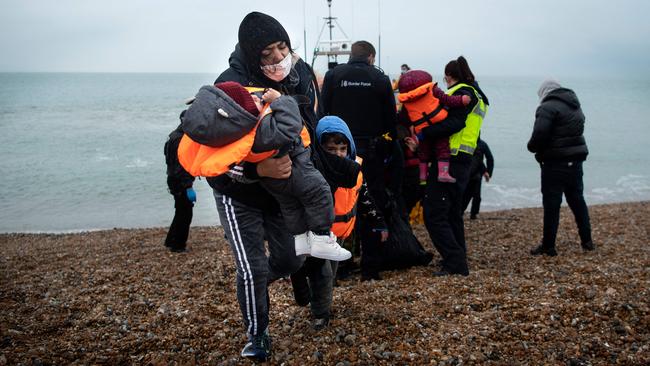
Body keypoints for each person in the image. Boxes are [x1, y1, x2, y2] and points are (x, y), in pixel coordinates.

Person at [180, 12, 347, 362]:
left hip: (281, 191)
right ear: (252, 54)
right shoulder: (230, 83)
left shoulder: (299, 75)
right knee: (253, 266)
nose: (277, 57)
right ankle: (257, 334)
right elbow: (209, 148)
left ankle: (252, 284)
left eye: (281, 46)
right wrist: (257, 168)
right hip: (236, 188)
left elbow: (308, 130)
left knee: (291, 258)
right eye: (267, 52)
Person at [180, 81, 351, 261]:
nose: (256, 97)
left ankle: (301, 240)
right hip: (297, 169)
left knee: (290, 205)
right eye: (251, 100)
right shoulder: (263, 130)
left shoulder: (234, 136)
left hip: (273, 182)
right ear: (241, 115)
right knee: (320, 193)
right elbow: (291, 125)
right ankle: (322, 237)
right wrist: (280, 100)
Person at [290, 115, 387, 329]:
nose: (338, 154)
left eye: (342, 148)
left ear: (349, 147)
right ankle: (320, 314)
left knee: (330, 274)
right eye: (331, 150)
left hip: (341, 234)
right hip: (318, 236)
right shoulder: (314, 172)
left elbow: (364, 198)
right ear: (320, 149)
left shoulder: (355, 170)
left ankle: (318, 299)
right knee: (322, 274)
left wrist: (378, 221)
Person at [420, 56, 488, 276]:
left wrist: (423, 133)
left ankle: (455, 262)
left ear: (449, 76)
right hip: (465, 160)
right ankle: (458, 256)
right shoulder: (478, 94)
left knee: (434, 214)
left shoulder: (460, 93)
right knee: (451, 214)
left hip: (448, 159)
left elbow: (453, 123)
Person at [321, 40, 398, 212]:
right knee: (372, 191)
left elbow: (322, 111)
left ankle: (343, 230)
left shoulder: (333, 75)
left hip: (338, 148)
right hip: (371, 150)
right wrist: (389, 149)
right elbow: (391, 119)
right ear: (371, 57)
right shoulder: (380, 79)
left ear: (351, 55)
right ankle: (374, 230)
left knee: (339, 190)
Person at [527, 79, 595, 256]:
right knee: (577, 201)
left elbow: (540, 134)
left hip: (554, 164)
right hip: (576, 162)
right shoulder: (575, 105)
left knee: (552, 205)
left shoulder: (547, 107)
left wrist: (532, 147)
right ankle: (587, 241)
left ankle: (549, 246)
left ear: (544, 92)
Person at [397, 69, 471, 184]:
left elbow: (404, 118)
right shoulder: (432, 89)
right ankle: (443, 173)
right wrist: (462, 100)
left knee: (423, 152)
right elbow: (448, 100)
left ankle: (422, 177)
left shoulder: (406, 101)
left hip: (422, 129)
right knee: (443, 149)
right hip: (438, 123)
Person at [163, 119, 196, 253]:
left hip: (172, 178)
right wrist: (188, 186)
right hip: (179, 181)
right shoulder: (181, 140)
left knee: (180, 210)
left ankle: (171, 240)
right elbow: (180, 165)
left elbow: (169, 160)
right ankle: (178, 245)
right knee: (185, 213)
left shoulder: (173, 135)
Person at [462, 138, 494, 219]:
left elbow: (489, 158)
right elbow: (488, 159)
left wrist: (488, 172)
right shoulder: (476, 144)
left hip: (474, 174)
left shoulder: (481, 144)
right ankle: (462, 212)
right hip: (467, 173)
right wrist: (486, 172)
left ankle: (473, 214)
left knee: (475, 196)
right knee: (467, 195)